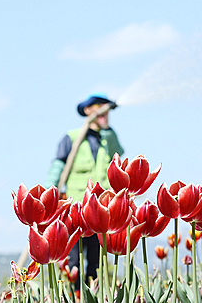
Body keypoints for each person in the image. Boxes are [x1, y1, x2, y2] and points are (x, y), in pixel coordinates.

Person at [45, 92, 124, 289]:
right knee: (75, 263)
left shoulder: (109, 138)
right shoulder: (72, 138)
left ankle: (93, 296)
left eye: (106, 108)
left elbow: (119, 155)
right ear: (88, 110)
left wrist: (107, 130)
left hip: (101, 213)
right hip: (76, 211)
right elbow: (58, 167)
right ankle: (75, 295)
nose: (103, 112)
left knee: (96, 264)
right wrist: (47, 196)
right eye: (98, 107)